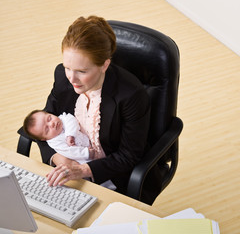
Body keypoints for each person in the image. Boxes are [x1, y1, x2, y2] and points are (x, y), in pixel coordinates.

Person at [28, 15, 151, 202]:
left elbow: (129, 155)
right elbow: (43, 125)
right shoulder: (63, 76)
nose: (71, 78)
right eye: (67, 67)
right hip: (69, 169)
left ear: (104, 65)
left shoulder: (131, 95)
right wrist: (59, 160)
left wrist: (83, 170)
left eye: (82, 71)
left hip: (112, 176)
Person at [23, 110, 116, 190]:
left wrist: (70, 135)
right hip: (81, 156)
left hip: (91, 143)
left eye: (49, 118)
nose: (52, 124)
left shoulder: (63, 118)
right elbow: (71, 152)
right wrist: (86, 153)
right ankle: (107, 186)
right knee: (90, 167)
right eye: (47, 129)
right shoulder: (55, 142)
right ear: (44, 139)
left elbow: (71, 120)